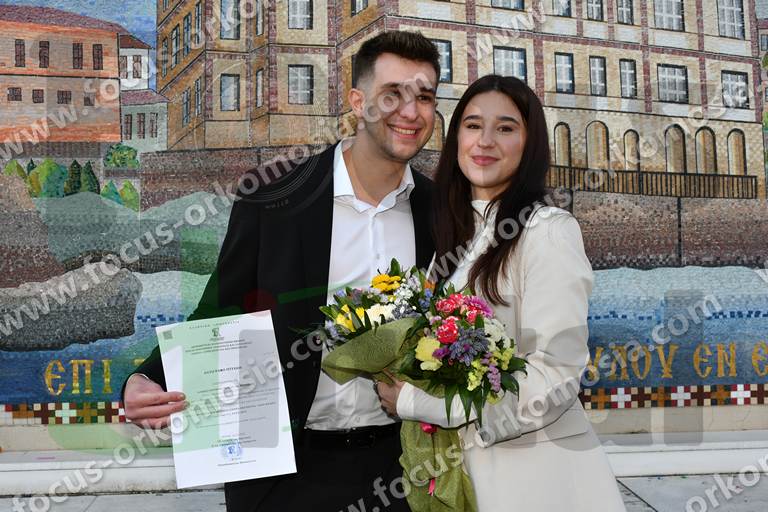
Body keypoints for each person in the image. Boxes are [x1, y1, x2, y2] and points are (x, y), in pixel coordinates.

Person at [122, 31, 441, 511]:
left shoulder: (443, 211)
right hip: (284, 475)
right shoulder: (274, 198)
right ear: (358, 102)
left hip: (402, 471)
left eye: (425, 97)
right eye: (392, 94)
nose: (411, 112)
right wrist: (146, 378)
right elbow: (221, 308)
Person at [376, 75, 627, 511]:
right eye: (473, 125)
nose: (485, 140)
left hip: (537, 478)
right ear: (456, 138)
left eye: (506, 127)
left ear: (530, 144)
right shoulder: (453, 237)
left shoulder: (547, 231)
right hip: (464, 474)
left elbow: (556, 375)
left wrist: (422, 403)